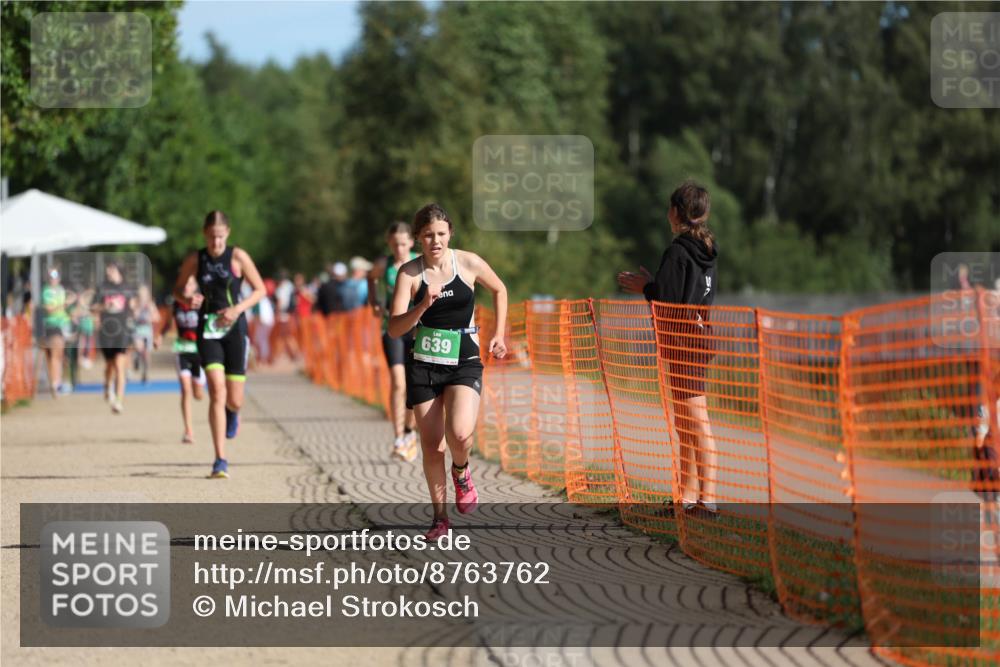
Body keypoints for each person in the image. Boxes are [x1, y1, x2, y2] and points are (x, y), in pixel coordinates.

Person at [388, 203, 508, 540]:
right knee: (431, 445)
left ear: (449, 234)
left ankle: (462, 470)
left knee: (459, 434)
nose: (435, 241)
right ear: (418, 239)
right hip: (424, 363)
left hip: (463, 360)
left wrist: (499, 333)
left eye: (441, 234)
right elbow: (395, 328)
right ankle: (440, 517)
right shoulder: (410, 274)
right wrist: (423, 305)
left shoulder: (467, 262)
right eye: (428, 235)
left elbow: (499, 289)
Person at [618, 180, 720, 516]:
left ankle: (708, 501)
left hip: (683, 343)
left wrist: (646, 287)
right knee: (685, 425)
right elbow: (677, 293)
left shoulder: (679, 251)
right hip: (695, 339)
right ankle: (686, 498)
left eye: (669, 207)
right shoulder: (704, 252)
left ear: (675, 212)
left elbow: (668, 300)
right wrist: (654, 284)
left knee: (697, 424)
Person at [174, 210, 266, 479]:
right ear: (205, 234)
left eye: (220, 237)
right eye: (212, 237)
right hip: (207, 329)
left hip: (234, 329)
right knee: (216, 390)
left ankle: (232, 413)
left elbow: (260, 289)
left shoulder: (238, 256)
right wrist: (186, 299)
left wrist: (237, 309)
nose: (216, 243)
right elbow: (178, 289)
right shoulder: (196, 258)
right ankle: (220, 459)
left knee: (234, 399)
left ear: (228, 234)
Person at [368, 222, 420, 462]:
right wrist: (375, 302)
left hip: (417, 330)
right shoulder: (384, 265)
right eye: (395, 244)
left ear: (411, 242)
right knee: (398, 383)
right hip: (391, 328)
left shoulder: (419, 262)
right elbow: (371, 278)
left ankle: (410, 432)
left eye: (403, 243)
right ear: (389, 244)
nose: (399, 248)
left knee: (414, 384)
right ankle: (399, 436)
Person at [156, 275, 206, 444]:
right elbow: (168, 324)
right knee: (185, 390)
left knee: (198, 394)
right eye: (184, 283)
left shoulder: (202, 303)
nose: (186, 287)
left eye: (190, 283)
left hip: (199, 351)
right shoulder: (176, 303)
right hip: (182, 349)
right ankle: (188, 430)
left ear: (195, 287)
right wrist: (160, 337)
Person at [93, 262, 134, 414]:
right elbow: (93, 307)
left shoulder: (127, 288)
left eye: (111, 269)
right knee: (110, 365)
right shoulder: (102, 287)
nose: (108, 271)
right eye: (107, 269)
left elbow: (132, 307)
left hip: (122, 332)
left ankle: (118, 401)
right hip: (106, 332)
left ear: (118, 271)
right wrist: (105, 306)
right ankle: (107, 385)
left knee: (119, 365)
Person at [40, 268, 74, 397]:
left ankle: (58, 383)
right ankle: (55, 384)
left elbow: (64, 309)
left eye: (55, 277)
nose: (53, 279)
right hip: (53, 325)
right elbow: (50, 309)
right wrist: (64, 304)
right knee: (55, 355)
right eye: (51, 277)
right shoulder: (47, 291)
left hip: (63, 325)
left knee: (60, 356)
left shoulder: (61, 289)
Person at [131, 284, 159, 384]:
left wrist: (150, 318)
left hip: (147, 331)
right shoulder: (135, 302)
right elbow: (133, 315)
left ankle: (145, 373)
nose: (142, 295)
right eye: (140, 293)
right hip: (137, 330)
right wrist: (138, 308)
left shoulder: (150, 304)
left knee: (146, 354)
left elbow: (157, 317)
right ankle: (136, 358)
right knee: (139, 348)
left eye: (144, 293)